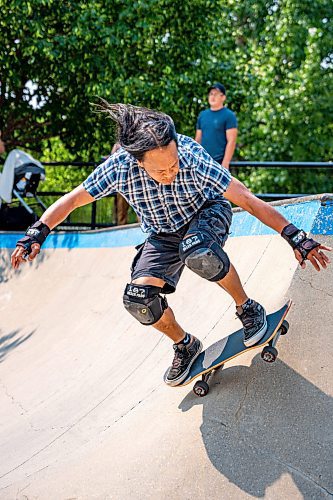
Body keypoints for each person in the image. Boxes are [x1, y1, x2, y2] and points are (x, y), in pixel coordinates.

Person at [11, 103, 331, 387]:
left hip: (206, 213)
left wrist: (295, 236)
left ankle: (248, 308)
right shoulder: (117, 168)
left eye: (173, 164)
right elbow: (71, 201)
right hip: (161, 235)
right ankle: (184, 344)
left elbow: (245, 199)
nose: (170, 172)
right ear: (137, 163)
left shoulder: (191, 157)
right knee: (138, 299)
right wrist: (37, 232)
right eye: (160, 170)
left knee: (198, 253)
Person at [195, 83, 238, 169]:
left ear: (223, 97)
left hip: (219, 162)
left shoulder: (229, 115)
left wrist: (225, 163)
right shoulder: (202, 115)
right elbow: (198, 140)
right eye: (211, 94)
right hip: (203, 162)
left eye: (216, 94)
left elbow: (232, 141)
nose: (212, 97)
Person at [111, 142, 131, 226]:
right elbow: (112, 160)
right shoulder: (117, 146)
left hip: (135, 180)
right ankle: (121, 227)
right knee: (121, 208)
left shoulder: (137, 142)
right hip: (122, 182)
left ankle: (140, 228)